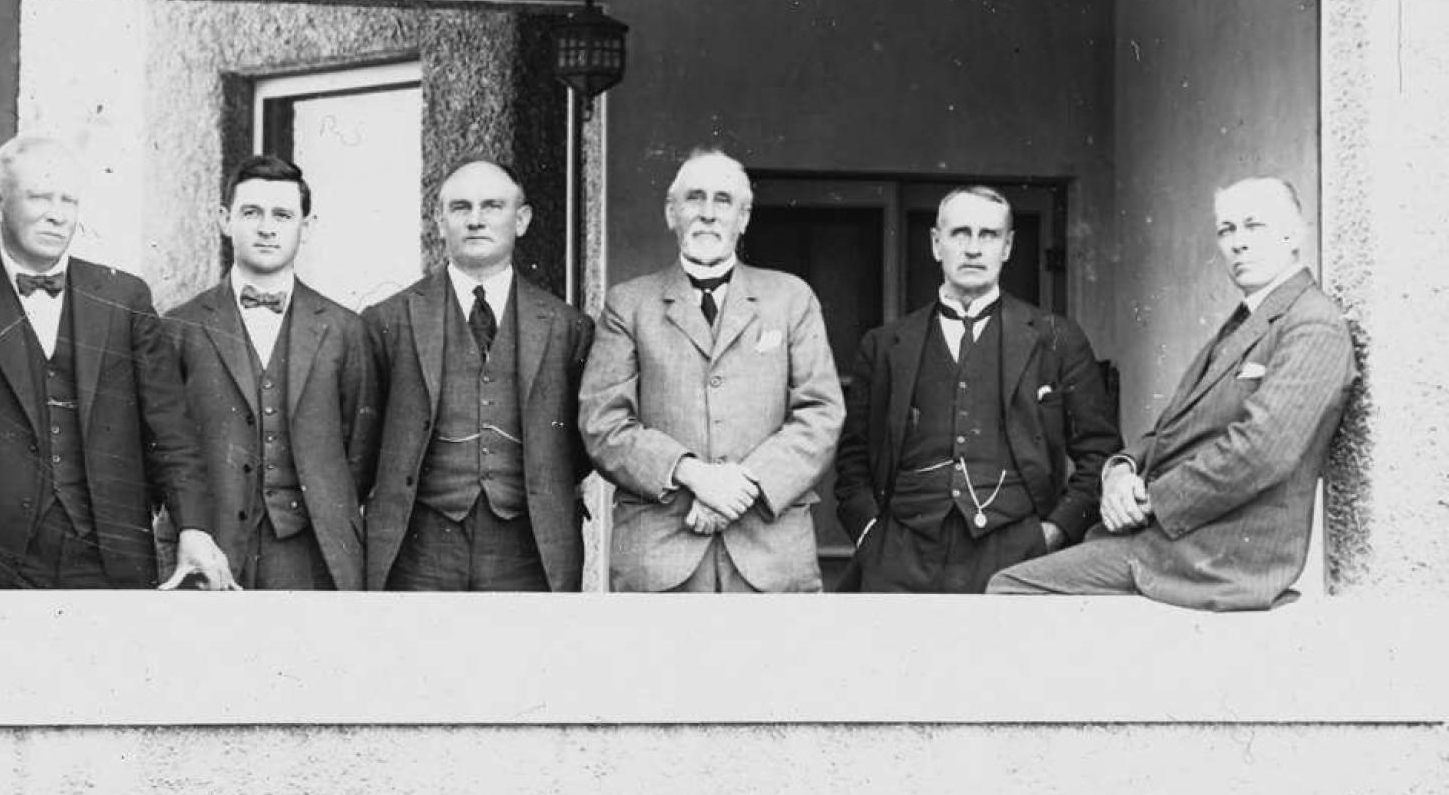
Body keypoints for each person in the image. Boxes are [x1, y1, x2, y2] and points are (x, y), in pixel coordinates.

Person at [988, 176, 1357, 610]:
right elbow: (1172, 430)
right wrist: (1121, 471)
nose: (1238, 243)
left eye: (1254, 226)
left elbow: (1260, 453)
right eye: (1227, 230)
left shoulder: (1312, 323)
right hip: (1177, 540)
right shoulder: (1249, 319)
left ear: (1294, 234)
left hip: (1219, 558)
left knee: (1010, 589)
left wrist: (1148, 501)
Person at [0, 134, 235, 589]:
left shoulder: (123, 297)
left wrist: (193, 526)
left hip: (108, 557)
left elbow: (169, 428)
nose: (58, 215)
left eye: (69, 200)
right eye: (39, 197)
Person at [579, 149, 845, 593]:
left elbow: (820, 414)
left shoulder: (790, 298)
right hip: (660, 557)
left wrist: (742, 486)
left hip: (770, 556)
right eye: (693, 199)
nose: (706, 214)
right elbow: (602, 421)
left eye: (723, 201)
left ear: (743, 218)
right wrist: (694, 475)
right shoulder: (629, 304)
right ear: (671, 213)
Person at [835, 185, 1121, 592]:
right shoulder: (884, 345)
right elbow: (853, 459)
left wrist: (1054, 531)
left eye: (988, 235)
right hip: (900, 557)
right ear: (937, 244)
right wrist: (869, 532)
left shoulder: (1057, 338)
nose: (973, 248)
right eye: (959, 234)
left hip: (1017, 555)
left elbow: (1100, 451)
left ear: (1007, 247)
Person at [363, 160, 593, 591]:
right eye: (460, 207)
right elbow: (365, 441)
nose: (475, 219)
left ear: (520, 220)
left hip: (528, 546)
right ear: (438, 219)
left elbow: (580, 447)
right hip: (419, 547)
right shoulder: (387, 321)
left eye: (492, 206)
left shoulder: (567, 327)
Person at [164, 155, 378, 590]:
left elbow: (361, 451)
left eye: (282, 215)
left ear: (306, 226)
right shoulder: (179, 327)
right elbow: (166, 446)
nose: (266, 227)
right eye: (251, 213)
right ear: (225, 220)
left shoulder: (345, 330)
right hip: (211, 551)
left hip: (312, 554)